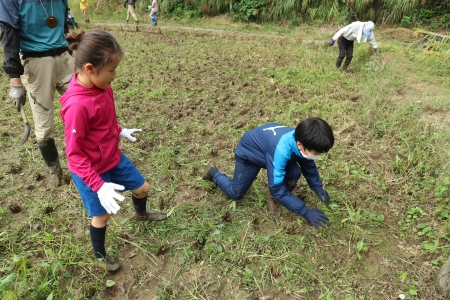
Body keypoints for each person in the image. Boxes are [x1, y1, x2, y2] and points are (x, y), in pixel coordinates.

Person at [61, 30, 167, 272]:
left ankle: (140, 214)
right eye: (111, 70)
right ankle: (100, 256)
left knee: (143, 188)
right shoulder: (76, 105)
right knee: (102, 216)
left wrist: (119, 130)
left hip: (112, 157)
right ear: (90, 68)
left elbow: (103, 122)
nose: (114, 76)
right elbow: (75, 156)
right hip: (90, 170)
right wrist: (98, 185)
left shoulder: (102, 87)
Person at [202, 118, 334, 230]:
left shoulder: (303, 138)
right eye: (316, 153)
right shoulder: (281, 150)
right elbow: (276, 187)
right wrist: (305, 211)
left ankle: (274, 198)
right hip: (249, 153)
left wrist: (317, 186)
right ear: (300, 144)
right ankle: (213, 173)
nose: (318, 156)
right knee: (236, 193)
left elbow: (307, 163)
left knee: (294, 171)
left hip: (268, 150)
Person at [0, 0, 75, 187]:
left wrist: (68, 40)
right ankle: (54, 171)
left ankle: (91, 161)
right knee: (44, 123)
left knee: (86, 107)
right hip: (35, 63)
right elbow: (9, 34)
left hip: (65, 60)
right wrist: (15, 80)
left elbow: (62, 24)